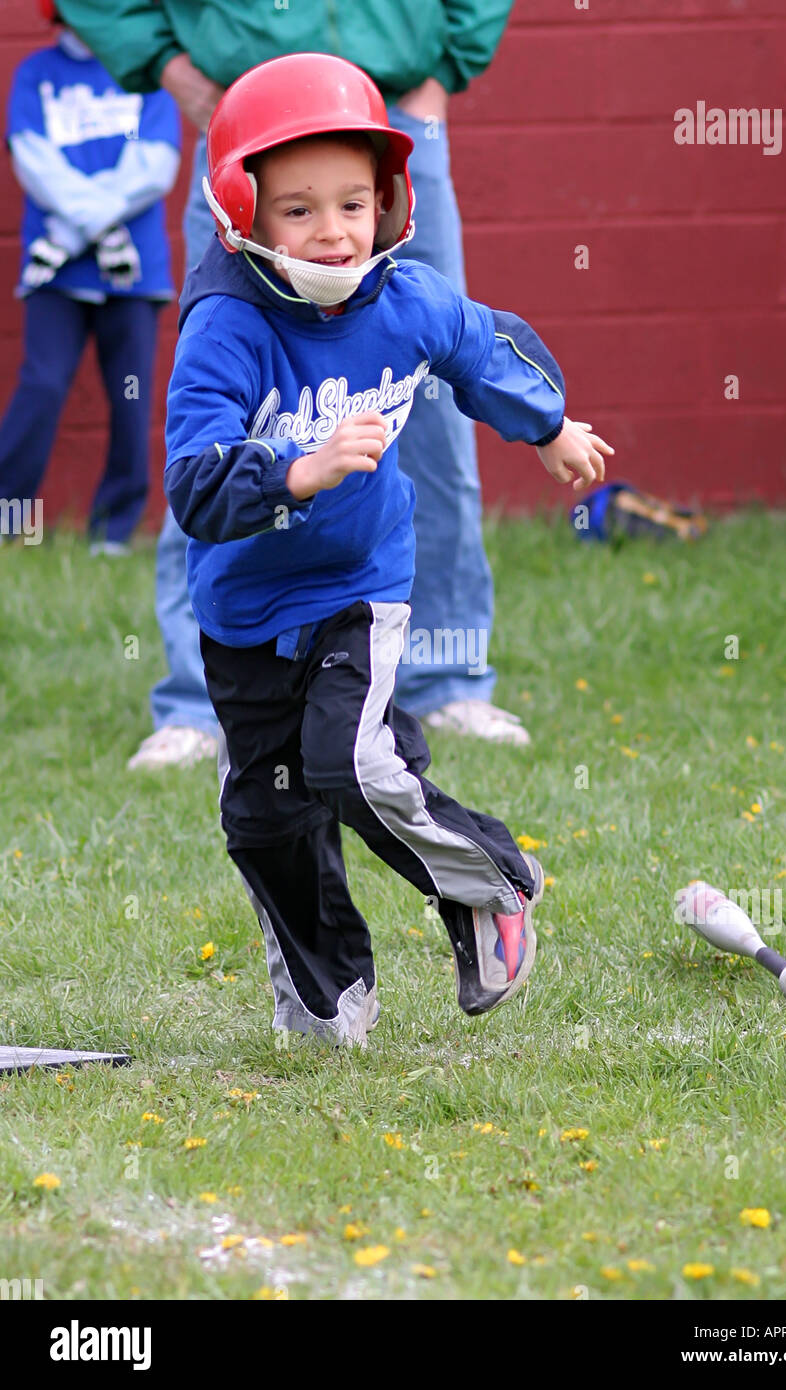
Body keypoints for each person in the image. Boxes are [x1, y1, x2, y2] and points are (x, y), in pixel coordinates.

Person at [163, 54, 614, 1045]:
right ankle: (328, 1001)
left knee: (352, 759)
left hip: (358, 584)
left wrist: (547, 428)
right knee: (266, 818)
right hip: (243, 611)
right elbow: (192, 487)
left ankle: (489, 888)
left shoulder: (404, 297)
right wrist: (296, 471)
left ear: (390, 201)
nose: (332, 230)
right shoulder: (224, 328)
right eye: (297, 209)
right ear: (241, 209)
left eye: (352, 203)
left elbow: (477, 347)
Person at [55, 0, 536, 766]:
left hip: (386, 124)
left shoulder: (384, 184)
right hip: (251, 146)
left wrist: (447, 68)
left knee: (430, 415)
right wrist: (170, 69)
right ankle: (197, 695)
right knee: (222, 420)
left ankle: (447, 676)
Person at [0, 4, 180, 553]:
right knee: (44, 383)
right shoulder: (36, 73)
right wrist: (92, 228)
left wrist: (79, 228)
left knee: (131, 397)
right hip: (55, 272)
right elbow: (34, 162)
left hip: (134, 270)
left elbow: (155, 167)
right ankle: (10, 522)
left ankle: (114, 534)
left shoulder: (148, 74)